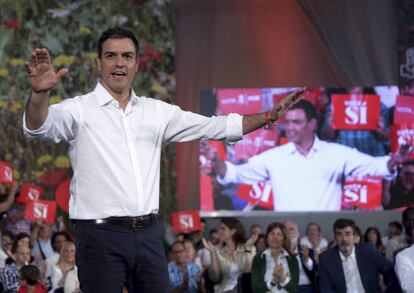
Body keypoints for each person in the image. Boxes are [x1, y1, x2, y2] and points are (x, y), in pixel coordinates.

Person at [22, 27, 304, 292]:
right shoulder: (79, 110)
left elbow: (213, 125)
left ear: (137, 65)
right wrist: (39, 95)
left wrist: (266, 117)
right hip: (99, 237)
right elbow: (39, 127)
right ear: (99, 63)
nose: (119, 62)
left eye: (127, 56)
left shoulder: (157, 112)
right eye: (111, 56)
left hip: (147, 235)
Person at [214, 99, 410, 211]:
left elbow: (377, 166)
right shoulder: (274, 157)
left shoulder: (337, 154)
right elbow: (235, 174)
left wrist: (395, 161)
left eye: (296, 122)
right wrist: (217, 162)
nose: (289, 128)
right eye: (287, 122)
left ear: (313, 124)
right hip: (288, 240)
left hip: (327, 239)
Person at [318, 218, 400, 293]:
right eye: (339, 234)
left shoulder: (368, 251)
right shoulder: (326, 259)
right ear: (335, 238)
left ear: (354, 237)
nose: (344, 239)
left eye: (348, 234)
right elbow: (326, 289)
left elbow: (391, 270)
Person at [202, 217, 258, 293]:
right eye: (219, 229)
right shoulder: (217, 250)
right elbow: (215, 277)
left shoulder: (249, 247)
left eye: (223, 229)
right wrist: (213, 253)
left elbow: (249, 273)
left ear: (233, 231)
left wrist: (247, 249)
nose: (219, 232)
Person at [251, 222, 299, 293]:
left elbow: (295, 290)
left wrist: (283, 278)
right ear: (267, 237)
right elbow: (255, 289)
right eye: (272, 234)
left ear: (284, 239)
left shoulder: (292, 259)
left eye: (279, 235)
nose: (275, 237)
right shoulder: (258, 258)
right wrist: (272, 282)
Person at [283, 220, 317, 292]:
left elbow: (313, 269)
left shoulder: (307, 250)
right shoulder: (277, 252)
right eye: (285, 229)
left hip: (306, 288)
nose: (289, 232)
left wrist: (306, 259)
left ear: (298, 233)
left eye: (291, 229)